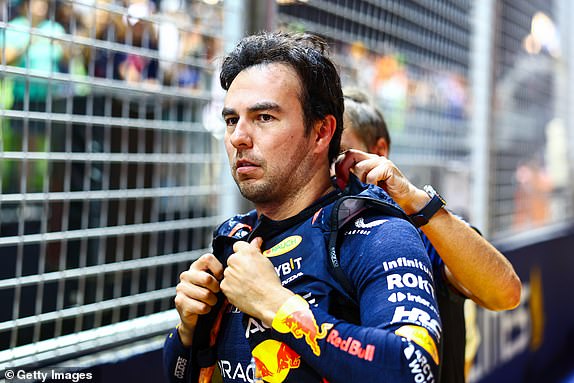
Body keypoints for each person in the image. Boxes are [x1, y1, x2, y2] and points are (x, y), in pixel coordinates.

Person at [164, 31, 442, 383]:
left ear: (322, 132)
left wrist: (278, 306)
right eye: (232, 120)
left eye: (264, 117)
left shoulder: (374, 235)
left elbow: (414, 368)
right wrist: (188, 331)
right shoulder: (235, 238)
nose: (237, 138)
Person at [335, 88, 522, 382]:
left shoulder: (423, 227)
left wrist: (414, 200)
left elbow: (505, 292)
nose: (330, 168)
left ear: (379, 151)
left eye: (341, 153)